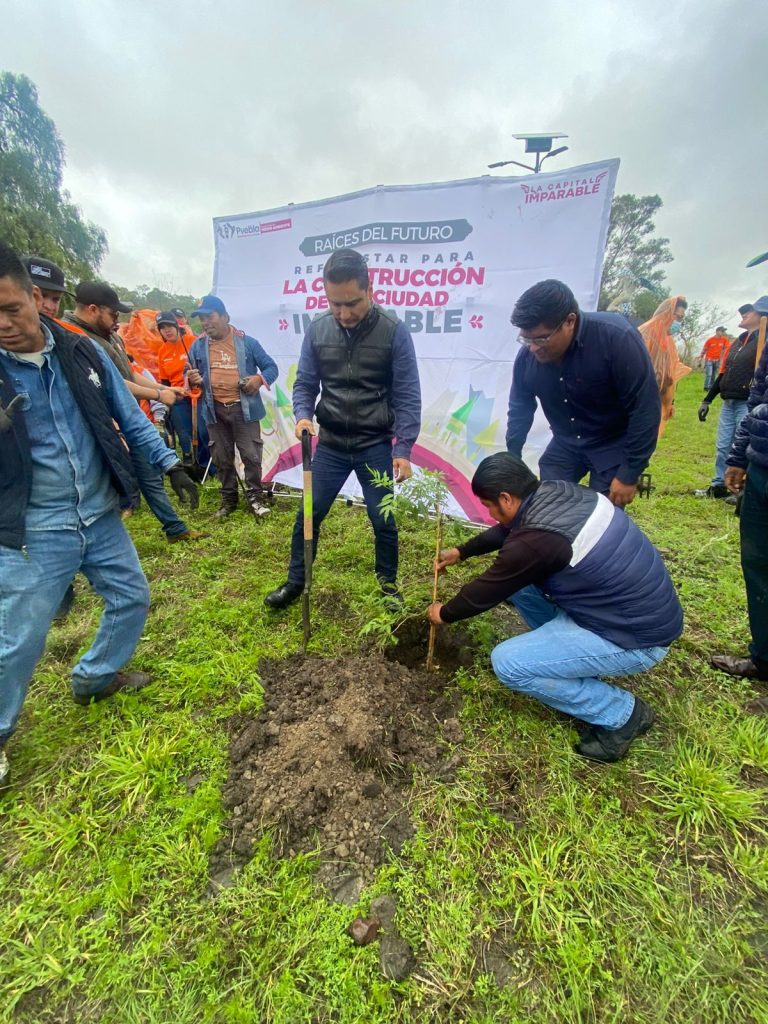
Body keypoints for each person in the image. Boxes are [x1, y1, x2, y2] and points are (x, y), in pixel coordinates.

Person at [0, 243, 199, 787]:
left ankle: (93, 677)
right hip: (33, 527)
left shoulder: (80, 352)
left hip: (99, 509)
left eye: (11, 308)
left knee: (132, 595)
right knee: (20, 636)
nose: (4, 324)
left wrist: (170, 465)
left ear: (35, 298)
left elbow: (128, 417)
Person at [427, 452, 683, 762]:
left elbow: (486, 590)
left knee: (509, 663)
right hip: (631, 609)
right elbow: (508, 530)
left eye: (489, 506)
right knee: (521, 586)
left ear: (506, 498)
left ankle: (622, 714)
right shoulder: (557, 492)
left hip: (638, 638)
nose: (490, 514)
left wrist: (444, 613)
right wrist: (462, 551)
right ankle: (567, 659)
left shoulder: (535, 541)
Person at [265, 248, 422, 609]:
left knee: (382, 518)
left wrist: (403, 449)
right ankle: (295, 582)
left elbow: (408, 394)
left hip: (374, 444)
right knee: (309, 512)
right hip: (332, 444)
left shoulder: (394, 332)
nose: (344, 313)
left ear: (370, 289)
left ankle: (387, 586)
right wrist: (303, 414)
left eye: (352, 303)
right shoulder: (319, 329)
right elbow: (305, 383)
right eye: (335, 304)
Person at [62, 283, 205, 543]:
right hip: (101, 425)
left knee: (149, 472)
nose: (118, 321)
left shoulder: (108, 335)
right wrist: (159, 395)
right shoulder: (73, 338)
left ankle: (175, 528)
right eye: (114, 314)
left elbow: (129, 373)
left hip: (129, 416)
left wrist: (163, 388)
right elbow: (112, 384)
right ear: (93, 309)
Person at [506, 279, 661, 508]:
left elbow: (645, 407)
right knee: (549, 505)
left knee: (602, 517)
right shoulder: (527, 357)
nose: (533, 347)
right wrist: (513, 455)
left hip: (611, 443)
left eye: (541, 338)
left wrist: (630, 472)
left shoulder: (616, 338)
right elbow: (520, 407)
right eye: (527, 339)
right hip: (565, 442)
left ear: (570, 321)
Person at [711, 295, 768, 685]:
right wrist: (739, 456)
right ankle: (763, 658)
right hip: (763, 465)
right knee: (758, 564)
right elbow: (758, 400)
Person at [186, 295, 278, 517]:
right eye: (202, 319)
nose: (205, 323)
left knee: (251, 456)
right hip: (213, 410)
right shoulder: (197, 346)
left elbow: (270, 368)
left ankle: (255, 497)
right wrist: (191, 378)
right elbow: (187, 375)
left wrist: (257, 380)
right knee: (221, 457)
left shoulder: (248, 342)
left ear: (225, 317)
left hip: (244, 410)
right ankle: (229, 500)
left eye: (210, 317)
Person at [695, 304, 759, 500]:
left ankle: (740, 489)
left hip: (748, 402)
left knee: (744, 446)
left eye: (751, 311)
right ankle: (719, 485)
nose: (744, 313)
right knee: (723, 446)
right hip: (729, 401)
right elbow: (723, 373)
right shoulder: (737, 342)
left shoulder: (763, 340)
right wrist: (707, 400)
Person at [155, 311, 212, 472]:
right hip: (178, 396)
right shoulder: (162, 351)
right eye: (162, 328)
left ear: (176, 326)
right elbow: (164, 381)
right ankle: (191, 463)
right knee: (184, 432)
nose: (167, 330)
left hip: (198, 394)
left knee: (202, 430)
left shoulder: (192, 342)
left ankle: (208, 465)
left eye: (169, 326)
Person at [638, 296, 692, 437]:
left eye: (681, 318)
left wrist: (669, 402)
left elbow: (670, 372)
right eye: (676, 316)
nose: (677, 321)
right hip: (639, 402)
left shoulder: (668, 340)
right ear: (666, 312)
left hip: (657, 402)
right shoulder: (645, 333)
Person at [699, 326, 731, 391]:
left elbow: (727, 348)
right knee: (709, 374)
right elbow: (704, 349)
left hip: (718, 360)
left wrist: (725, 357)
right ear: (717, 331)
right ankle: (706, 387)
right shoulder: (710, 340)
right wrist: (701, 358)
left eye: (723, 331)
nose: (723, 332)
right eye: (722, 331)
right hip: (709, 359)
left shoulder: (725, 340)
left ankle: (711, 387)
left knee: (714, 374)